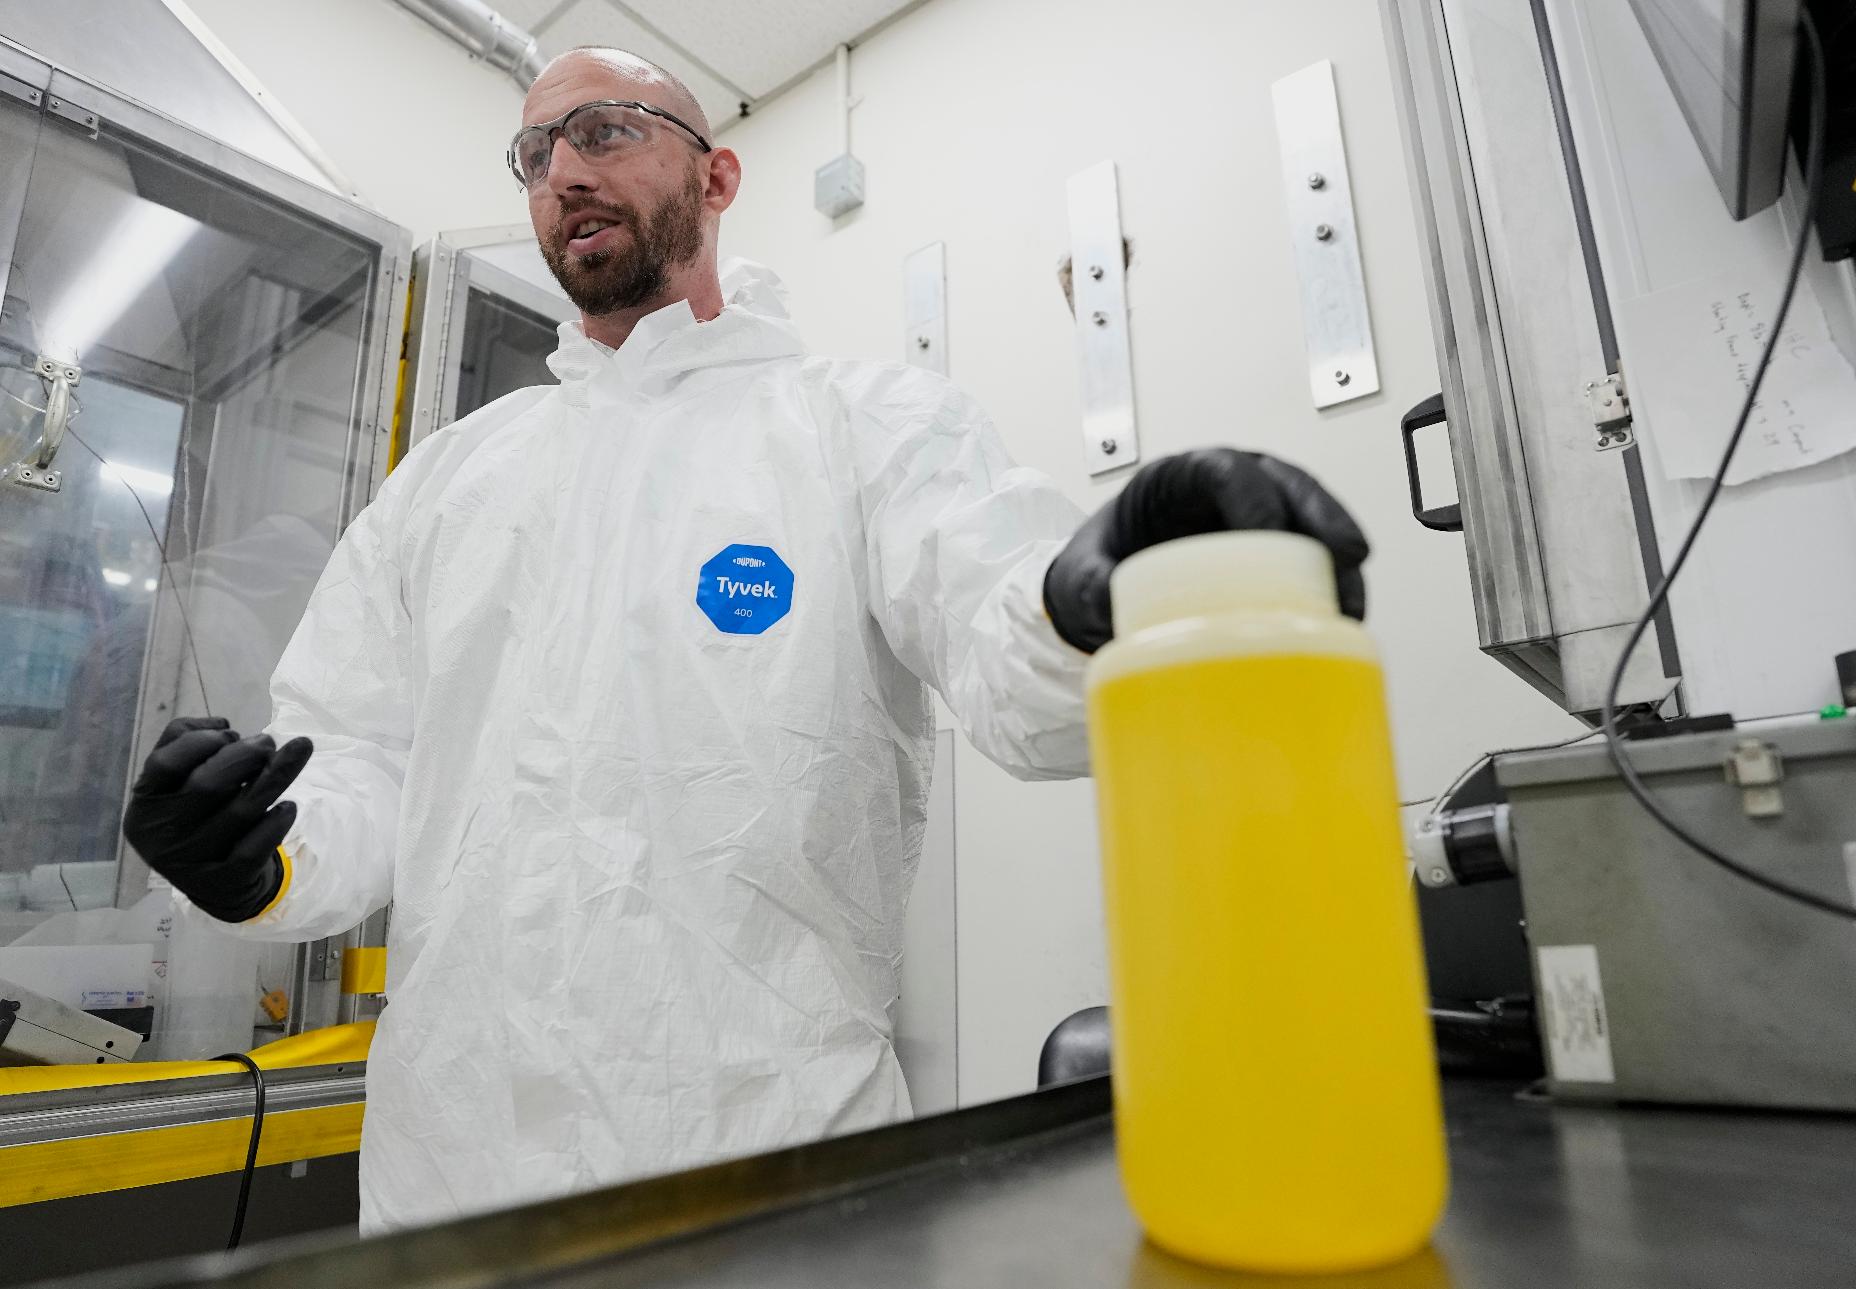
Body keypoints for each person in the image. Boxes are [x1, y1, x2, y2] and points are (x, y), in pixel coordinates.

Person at [121, 47, 1370, 1232]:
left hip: (767, 1158)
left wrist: (1093, 594)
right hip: (454, 1171)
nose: (563, 172)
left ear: (715, 177)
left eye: (604, 131)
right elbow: (356, 761)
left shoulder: (864, 428)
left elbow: (1019, 675)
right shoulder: (448, 483)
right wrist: (258, 857)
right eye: (535, 154)